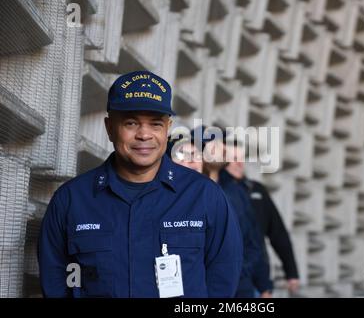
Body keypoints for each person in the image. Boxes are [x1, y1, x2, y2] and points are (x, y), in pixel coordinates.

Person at [38, 70, 243, 298]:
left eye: (155, 124)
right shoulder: (71, 200)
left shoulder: (205, 196)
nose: (144, 135)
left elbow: (223, 279)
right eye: (131, 123)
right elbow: (56, 280)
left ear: (167, 129)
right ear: (109, 127)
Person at [194, 126, 272, 298]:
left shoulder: (237, 191)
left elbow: (254, 241)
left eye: (222, 143)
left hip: (240, 287)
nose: (221, 147)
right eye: (213, 143)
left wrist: (263, 284)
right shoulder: (190, 191)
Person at [225, 143, 300, 296]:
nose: (239, 163)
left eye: (241, 158)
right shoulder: (216, 190)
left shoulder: (257, 190)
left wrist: (291, 271)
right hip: (229, 278)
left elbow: (278, 232)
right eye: (233, 158)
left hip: (256, 279)